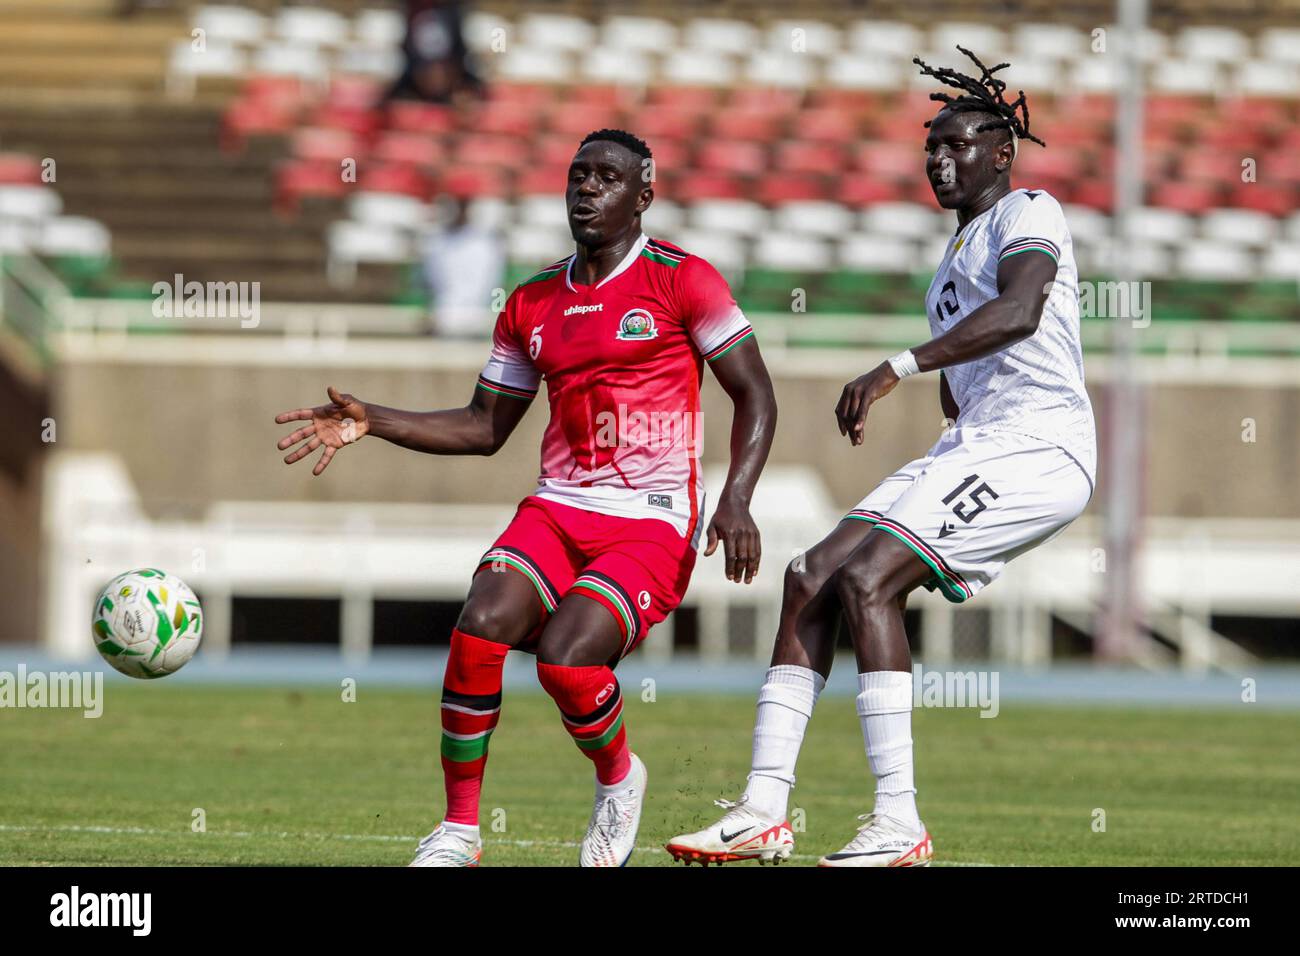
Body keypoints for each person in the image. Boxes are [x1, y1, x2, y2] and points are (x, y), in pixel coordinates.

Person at [274, 128, 777, 867]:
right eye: (578, 175)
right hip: (559, 505)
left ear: (644, 195)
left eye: (607, 177)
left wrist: (736, 498)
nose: (586, 188)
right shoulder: (533, 301)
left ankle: (618, 778)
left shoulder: (684, 280)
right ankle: (459, 831)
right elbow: (484, 427)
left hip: (652, 521)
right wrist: (374, 420)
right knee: (481, 623)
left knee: (567, 662)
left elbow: (756, 394)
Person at [666, 48, 1096, 868]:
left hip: (1042, 445)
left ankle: (899, 822)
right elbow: (968, 374)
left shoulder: (1028, 211)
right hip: (976, 444)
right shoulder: (947, 266)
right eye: (930, 149)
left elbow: (1019, 310)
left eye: (957, 144)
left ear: (1001, 152)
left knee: (869, 581)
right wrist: (940, 405)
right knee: (811, 575)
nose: (940, 160)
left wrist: (896, 367)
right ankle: (762, 809)